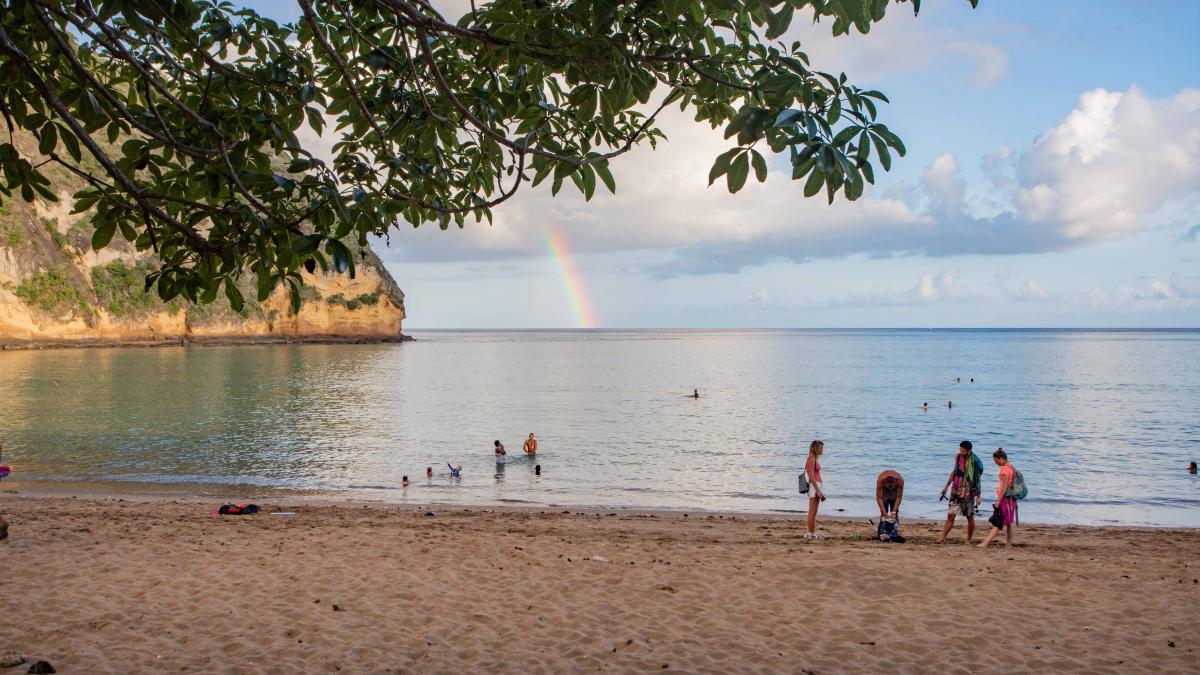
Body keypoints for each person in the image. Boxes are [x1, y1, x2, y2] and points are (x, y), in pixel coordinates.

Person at [937, 440, 983, 544]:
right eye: (960, 450)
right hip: (956, 490)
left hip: (968, 492)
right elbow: (954, 471)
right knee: (950, 515)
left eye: (963, 451)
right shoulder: (958, 457)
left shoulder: (975, 461)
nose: (961, 452)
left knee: (969, 516)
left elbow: (977, 479)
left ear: (968, 450)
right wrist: (946, 486)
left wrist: (978, 496)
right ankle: (943, 537)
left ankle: (968, 540)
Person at [978, 449, 1018, 549]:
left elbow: (1004, 486)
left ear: (1001, 458)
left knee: (997, 520)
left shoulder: (1005, 469)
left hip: (1006, 499)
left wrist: (998, 500)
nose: (995, 463)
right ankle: (1009, 544)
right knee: (1009, 522)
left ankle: (986, 543)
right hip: (1011, 499)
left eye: (996, 461)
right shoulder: (1010, 467)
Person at [804, 440, 826, 540]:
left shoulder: (814, 459)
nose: (822, 450)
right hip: (814, 486)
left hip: (816, 486)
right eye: (820, 448)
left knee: (814, 511)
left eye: (822, 448)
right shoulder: (811, 459)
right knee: (812, 511)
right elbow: (811, 476)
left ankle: (811, 533)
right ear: (815, 448)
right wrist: (817, 490)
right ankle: (810, 534)